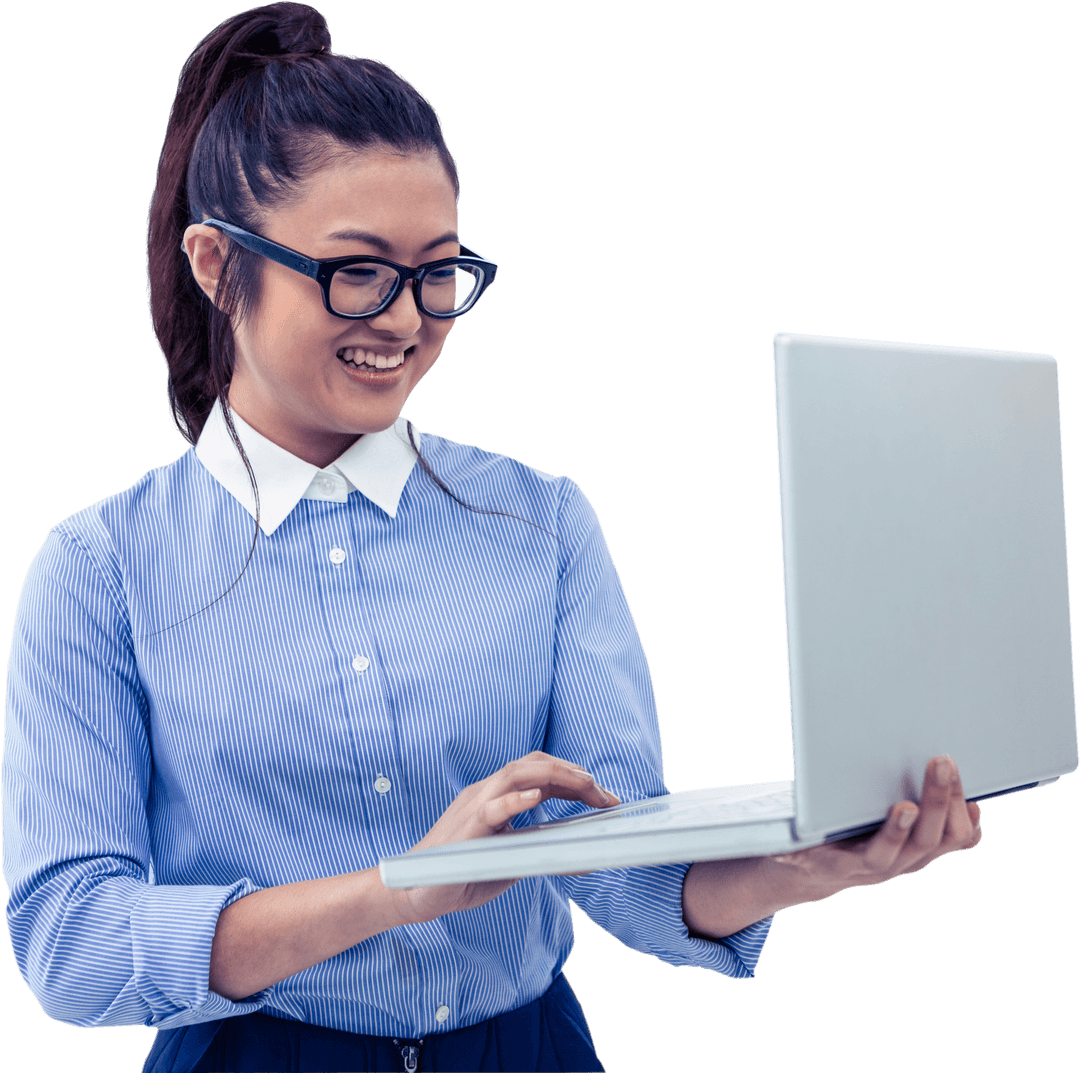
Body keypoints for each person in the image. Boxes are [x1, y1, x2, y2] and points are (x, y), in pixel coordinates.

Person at [1, 4, 983, 1071]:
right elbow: (74, 944)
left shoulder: (541, 519)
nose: (407, 318)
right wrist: (393, 889)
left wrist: (817, 862)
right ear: (214, 262)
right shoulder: (100, 570)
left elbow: (622, 860)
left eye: (438, 272)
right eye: (358, 270)